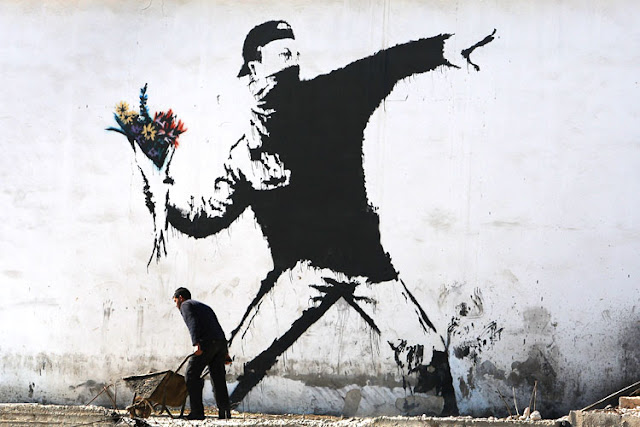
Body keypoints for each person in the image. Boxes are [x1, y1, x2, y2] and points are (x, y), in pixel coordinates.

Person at [131, 20, 495, 416]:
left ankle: (442, 419)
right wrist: (161, 197)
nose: (292, 62)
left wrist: (442, 49)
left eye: (294, 54)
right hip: (301, 274)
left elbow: (385, 65)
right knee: (236, 363)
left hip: (367, 266)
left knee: (428, 357)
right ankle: (202, 412)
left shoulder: (332, 96)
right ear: (255, 68)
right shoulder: (246, 153)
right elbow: (207, 218)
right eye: (283, 55)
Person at [173, 287, 231, 420]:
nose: (176, 305)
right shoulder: (204, 306)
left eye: (175, 301)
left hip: (206, 343)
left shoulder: (186, 305)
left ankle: (197, 413)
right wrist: (225, 351)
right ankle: (225, 412)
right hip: (219, 343)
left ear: (180, 298)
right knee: (218, 377)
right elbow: (217, 327)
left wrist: (196, 343)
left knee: (191, 375)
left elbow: (192, 323)